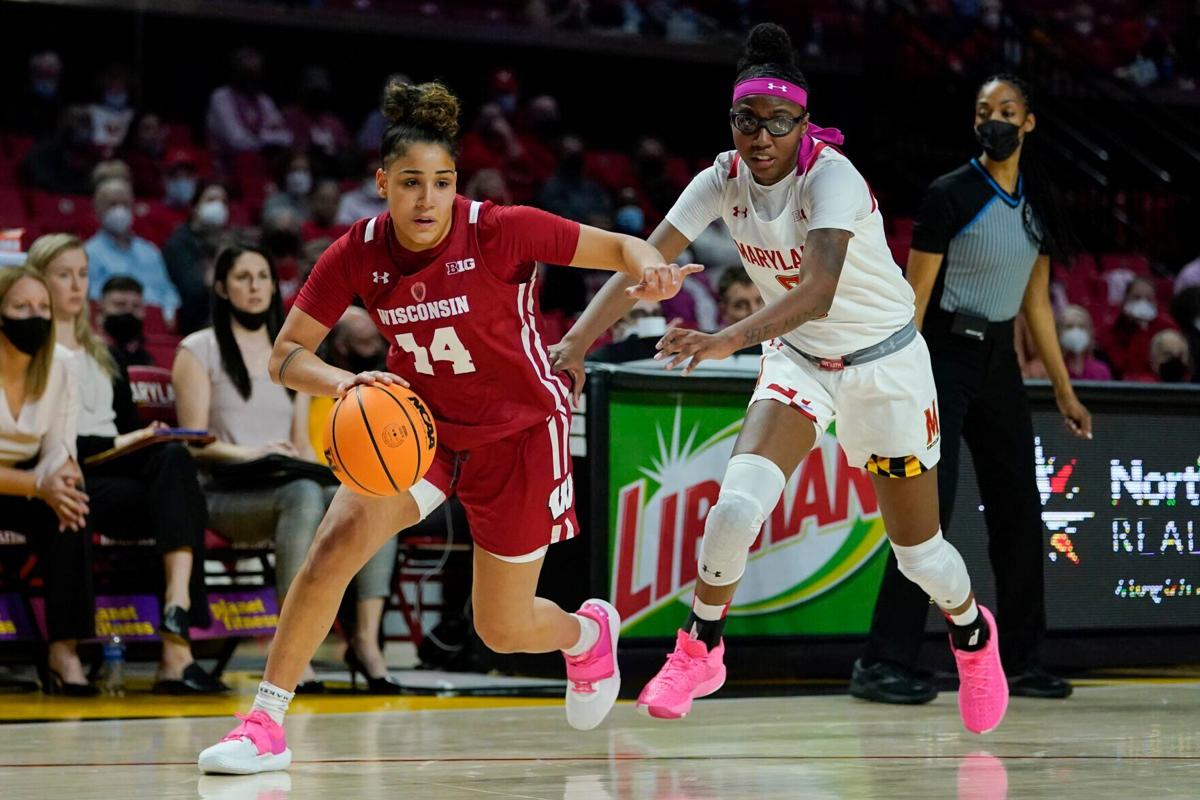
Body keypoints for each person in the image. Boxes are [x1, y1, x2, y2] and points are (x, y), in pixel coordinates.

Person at [198, 78, 696, 774]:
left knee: (502, 628)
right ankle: (264, 724)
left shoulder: (499, 228)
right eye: (410, 183)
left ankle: (586, 634)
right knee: (333, 547)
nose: (426, 199)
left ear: (456, 184)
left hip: (519, 433)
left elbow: (621, 248)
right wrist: (347, 382)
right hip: (419, 431)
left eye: (441, 183)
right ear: (382, 184)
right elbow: (286, 355)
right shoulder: (357, 251)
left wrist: (653, 270)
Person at [550, 23, 1007, 734]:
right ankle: (700, 648)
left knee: (919, 556)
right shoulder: (720, 180)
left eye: (777, 123)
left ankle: (973, 634)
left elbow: (817, 291)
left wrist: (723, 339)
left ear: (802, 122)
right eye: (746, 121)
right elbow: (641, 258)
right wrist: (576, 343)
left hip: (885, 366)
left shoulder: (832, 177)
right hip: (799, 362)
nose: (760, 137)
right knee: (734, 510)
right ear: (731, 119)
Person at [851, 74, 1090, 704]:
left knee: (1019, 509)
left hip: (999, 362)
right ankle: (882, 661)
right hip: (940, 356)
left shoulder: (1037, 202)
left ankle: (1024, 660)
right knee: (928, 510)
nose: (995, 120)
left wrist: (1064, 390)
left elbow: (1036, 304)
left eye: (1007, 110)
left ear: (1029, 122)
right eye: (985, 111)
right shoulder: (950, 194)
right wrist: (897, 375)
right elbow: (914, 296)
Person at [173, 245, 401, 696]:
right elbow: (192, 444)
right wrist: (251, 453)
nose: (256, 287)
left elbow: (301, 445)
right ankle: (293, 651)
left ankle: (365, 642)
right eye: (243, 277)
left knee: (376, 495)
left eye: (263, 276)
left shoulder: (292, 354)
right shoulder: (198, 349)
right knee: (303, 494)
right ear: (222, 288)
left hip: (286, 481)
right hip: (221, 494)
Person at [27, 233, 226, 694]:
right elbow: (40, 436)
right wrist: (125, 441)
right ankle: (66, 650)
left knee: (175, 462)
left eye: (82, 274)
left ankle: (176, 630)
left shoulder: (107, 355)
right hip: (61, 473)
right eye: (63, 275)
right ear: (37, 281)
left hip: (114, 477)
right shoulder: (30, 352)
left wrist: (141, 439)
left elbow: (128, 426)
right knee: (73, 497)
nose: (76, 285)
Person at [0, 267, 94, 694]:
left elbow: (60, 449)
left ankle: (64, 650)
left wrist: (58, 481)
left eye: (42, 307)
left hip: (30, 480)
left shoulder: (62, 364)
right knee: (59, 496)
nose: (35, 317)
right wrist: (39, 486)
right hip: (24, 483)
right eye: (21, 307)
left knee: (71, 505)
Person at [84, 177, 181, 322]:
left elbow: (168, 292)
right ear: (98, 209)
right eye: (112, 204)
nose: (120, 210)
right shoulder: (89, 253)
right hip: (114, 323)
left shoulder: (150, 251)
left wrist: (169, 312)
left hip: (153, 321)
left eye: (125, 204)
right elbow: (91, 297)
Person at [163, 181, 233, 335]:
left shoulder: (231, 241)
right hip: (194, 322)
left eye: (223, 202)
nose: (218, 206)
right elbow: (192, 290)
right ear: (194, 207)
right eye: (211, 200)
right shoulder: (179, 243)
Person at [1099, 276, 1177, 379]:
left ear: (1156, 303)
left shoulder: (1167, 328)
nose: (1142, 303)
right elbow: (1121, 366)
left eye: (1149, 299)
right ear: (1125, 301)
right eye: (1136, 298)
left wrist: (1144, 329)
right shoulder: (1112, 330)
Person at [97, 276, 154, 366]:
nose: (129, 311)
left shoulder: (150, 359)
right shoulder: (84, 353)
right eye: (120, 304)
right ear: (101, 308)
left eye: (136, 306)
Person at [1057, 304, 1112, 381]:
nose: (1075, 332)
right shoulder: (1052, 369)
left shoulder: (1101, 371)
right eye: (1069, 327)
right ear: (1059, 333)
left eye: (1081, 327)